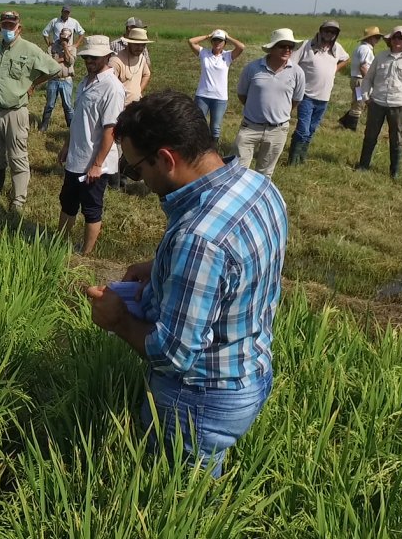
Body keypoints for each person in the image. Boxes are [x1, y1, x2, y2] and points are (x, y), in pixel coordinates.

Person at [87, 90, 287, 478]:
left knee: (174, 498)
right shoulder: (258, 186)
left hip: (200, 399)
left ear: (166, 159)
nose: (139, 179)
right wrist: (161, 265)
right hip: (252, 369)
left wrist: (117, 321)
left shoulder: (199, 240)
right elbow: (239, 270)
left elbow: (173, 353)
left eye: (136, 169)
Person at [0, 10, 62, 210]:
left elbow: (54, 68)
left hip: (15, 112)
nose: (7, 29)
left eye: (11, 26)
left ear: (19, 28)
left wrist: (33, 84)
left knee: (17, 157)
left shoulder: (29, 49)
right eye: (4, 25)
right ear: (0, 27)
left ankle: (18, 201)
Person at [56, 36, 124, 255]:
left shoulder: (112, 87)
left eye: (94, 57)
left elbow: (110, 129)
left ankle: (85, 254)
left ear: (107, 56)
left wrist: (97, 164)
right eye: (86, 57)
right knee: (67, 202)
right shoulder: (86, 81)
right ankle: (59, 243)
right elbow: (79, 119)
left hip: (94, 163)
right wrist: (67, 144)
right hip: (76, 157)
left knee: (91, 208)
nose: (89, 60)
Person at [232, 29, 305, 178]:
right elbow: (242, 94)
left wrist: (280, 113)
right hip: (250, 127)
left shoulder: (298, 72)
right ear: (272, 48)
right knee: (237, 172)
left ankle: (259, 200)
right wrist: (257, 110)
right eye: (282, 45)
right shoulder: (252, 68)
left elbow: (296, 100)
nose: (287, 49)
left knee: (265, 174)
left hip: (277, 130)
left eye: (290, 46)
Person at [355, 26, 402, 178]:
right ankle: (363, 166)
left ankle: (395, 172)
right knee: (370, 135)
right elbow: (368, 79)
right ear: (390, 40)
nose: (398, 40)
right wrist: (366, 97)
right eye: (395, 37)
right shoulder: (381, 56)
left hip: (399, 104)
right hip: (377, 103)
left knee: (397, 138)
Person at [287, 20, 350, 164]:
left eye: (333, 32)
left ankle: (301, 158)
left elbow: (346, 59)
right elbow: (291, 64)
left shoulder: (337, 49)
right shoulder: (307, 45)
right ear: (321, 31)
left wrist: (335, 69)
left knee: (311, 129)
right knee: (303, 130)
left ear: (336, 35)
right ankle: (293, 161)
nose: (329, 34)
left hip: (324, 98)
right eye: (327, 31)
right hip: (306, 95)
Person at [188, 29, 245, 143]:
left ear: (224, 43)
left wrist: (227, 37)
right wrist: (208, 35)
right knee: (198, 123)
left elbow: (241, 47)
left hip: (220, 98)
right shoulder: (204, 53)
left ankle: (213, 150)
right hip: (202, 95)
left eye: (220, 41)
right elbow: (191, 41)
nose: (217, 43)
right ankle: (198, 147)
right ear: (211, 41)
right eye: (215, 40)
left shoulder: (228, 55)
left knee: (215, 127)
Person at [337, 26, 383, 131]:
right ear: (370, 38)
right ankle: (351, 127)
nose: (378, 40)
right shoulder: (366, 49)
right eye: (376, 37)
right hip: (360, 81)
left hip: (357, 80)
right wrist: (369, 81)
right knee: (359, 104)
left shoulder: (361, 47)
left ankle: (344, 122)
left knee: (358, 102)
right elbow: (363, 67)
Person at [40, 27, 76, 132]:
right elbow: (48, 63)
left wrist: (65, 48)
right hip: (53, 79)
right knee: (49, 104)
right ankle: (44, 126)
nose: (64, 39)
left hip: (66, 80)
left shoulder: (72, 48)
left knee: (68, 106)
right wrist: (61, 59)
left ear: (70, 37)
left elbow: (70, 62)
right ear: (59, 35)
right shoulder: (52, 47)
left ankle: (71, 128)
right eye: (63, 36)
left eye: (67, 37)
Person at [109, 27, 152, 106]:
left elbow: (147, 74)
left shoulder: (141, 58)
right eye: (137, 45)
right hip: (120, 108)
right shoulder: (115, 61)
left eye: (143, 45)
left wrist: (139, 91)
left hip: (135, 106)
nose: (140, 48)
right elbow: (108, 87)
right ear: (128, 43)